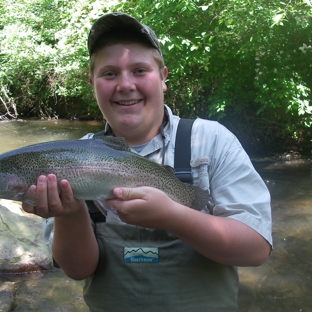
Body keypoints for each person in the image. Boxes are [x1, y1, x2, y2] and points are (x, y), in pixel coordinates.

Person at [22, 12, 272, 312]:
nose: (125, 84)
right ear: (92, 83)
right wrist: (70, 213)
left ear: (163, 77)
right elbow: (78, 270)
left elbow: (256, 249)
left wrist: (173, 217)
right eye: (110, 73)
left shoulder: (212, 141)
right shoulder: (70, 159)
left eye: (139, 70)